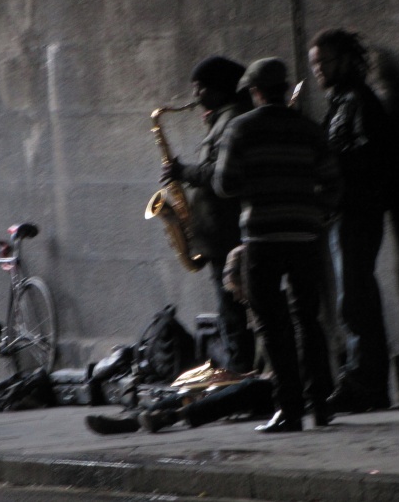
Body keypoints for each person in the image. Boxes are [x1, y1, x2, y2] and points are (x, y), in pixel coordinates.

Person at [213, 58, 340, 433]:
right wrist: (318, 213)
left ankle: (289, 410)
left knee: (272, 325)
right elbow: (333, 179)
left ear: (254, 92)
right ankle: (320, 405)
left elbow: (223, 184)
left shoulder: (240, 128)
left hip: (262, 237)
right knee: (308, 321)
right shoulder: (309, 129)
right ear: (284, 89)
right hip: (305, 235)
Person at [309, 28, 393, 413]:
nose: (318, 70)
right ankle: (363, 381)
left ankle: (365, 383)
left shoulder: (359, 101)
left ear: (345, 60)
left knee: (354, 299)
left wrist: (326, 163)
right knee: (353, 297)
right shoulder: (341, 102)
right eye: (315, 64)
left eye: (324, 61)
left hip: (357, 210)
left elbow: (367, 156)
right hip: (344, 211)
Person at [161, 56, 255, 373]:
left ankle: (240, 375)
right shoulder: (223, 118)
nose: (195, 94)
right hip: (220, 230)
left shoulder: (232, 120)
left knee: (231, 311)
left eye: (200, 87)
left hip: (226, 231)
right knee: (230, 309)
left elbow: (219, 175)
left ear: (220, 88)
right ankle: (240, 371)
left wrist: (181, 171)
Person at [84, 376, 274, 435]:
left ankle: (174, 416)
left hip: (283, 391)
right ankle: (133, 421)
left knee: (250, 388)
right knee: (203, 386)